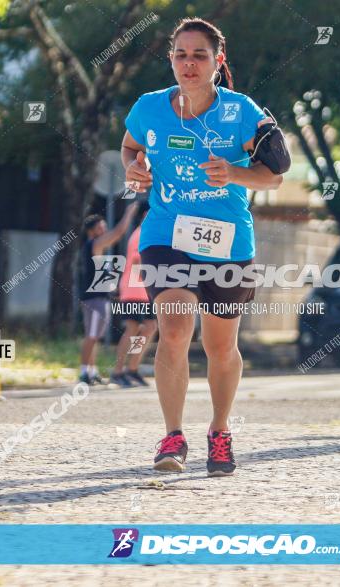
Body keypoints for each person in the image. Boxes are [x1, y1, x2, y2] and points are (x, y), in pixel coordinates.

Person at [122, 17, 286, 475]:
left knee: (220, 346)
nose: (188, 63)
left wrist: (233, 172)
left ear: (218, 61)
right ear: (170, 59)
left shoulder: (240, 111)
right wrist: (135, 168)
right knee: (174, 330)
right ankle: (173, 436)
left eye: (199, 55)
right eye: (180, 54)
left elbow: (273, 176)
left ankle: (219, 431)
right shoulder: (150, 107)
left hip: (227, 239)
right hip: (166, 233)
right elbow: (130, 146)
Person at [78, 203, 140, 387]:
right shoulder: (94, 244)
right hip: (94, 299)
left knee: (95, 335)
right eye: (100, 227)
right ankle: (83, 372)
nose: (104, 229)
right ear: (91, 231)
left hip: (99, 298)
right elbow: (119, 232)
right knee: (91, 335)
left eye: (104, 226)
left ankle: (92, 370)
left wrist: (113, 291)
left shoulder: (97, 249)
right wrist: (129, 213)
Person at [110, 207, 158, 388]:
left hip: (145, 291)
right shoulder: (141, 234)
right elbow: (138, 262)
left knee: (149, 327)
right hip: (133, 289)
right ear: (145, 215)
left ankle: (132, 369)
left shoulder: (150, 233)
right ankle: (117, 371)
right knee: (132, 327)